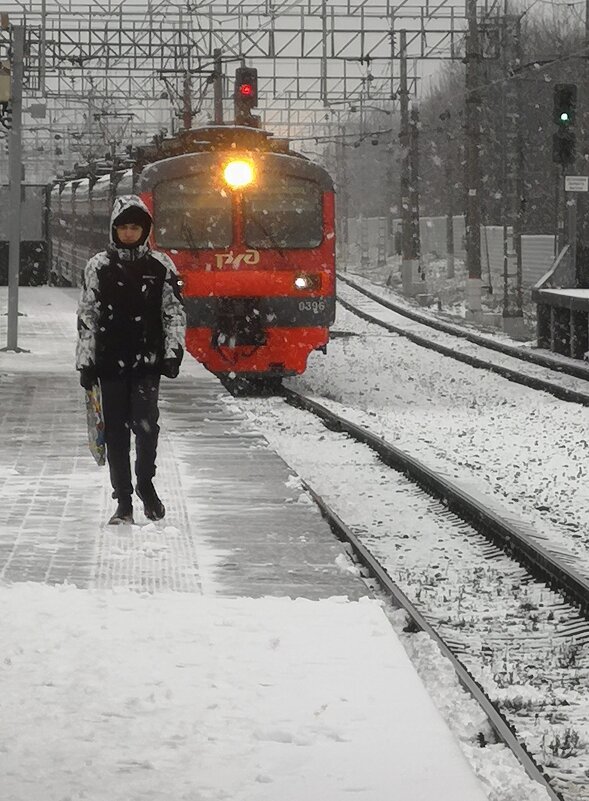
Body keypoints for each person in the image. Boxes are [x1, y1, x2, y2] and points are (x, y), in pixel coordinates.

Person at [76, 194, 186, 525]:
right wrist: (86, 361)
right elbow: (87, 315)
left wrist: (173, 352)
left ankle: (146, 487)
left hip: (147, 363)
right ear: (114, 229)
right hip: (109, 364)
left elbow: (174, 312)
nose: (128, 233)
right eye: (123, 227)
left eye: (134, 227)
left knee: (146, 427)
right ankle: (123, 500)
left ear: (145, 229)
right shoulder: (98, 266)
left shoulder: (161, 266)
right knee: (115, 434)